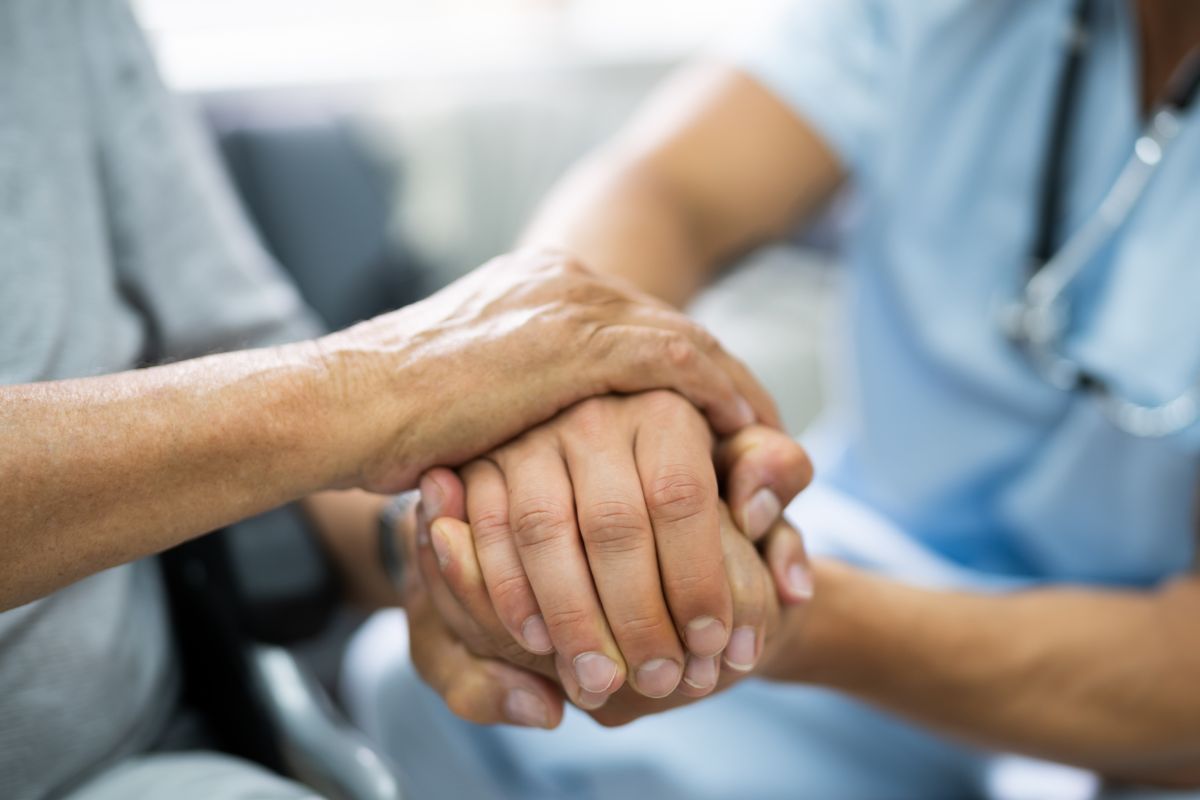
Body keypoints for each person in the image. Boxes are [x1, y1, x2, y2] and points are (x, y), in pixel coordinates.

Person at [349, 0, 1200, 797]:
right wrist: (582, 395)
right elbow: (662, 191)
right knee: (435, 682)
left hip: (1131, 684)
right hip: (869, 548)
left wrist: (779, 612)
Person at [0, 2, 801, 798]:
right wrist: (385, 384)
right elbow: (311, 419)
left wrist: (453, 553)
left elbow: (254, 431)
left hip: (142, 769)